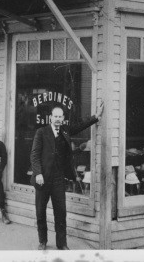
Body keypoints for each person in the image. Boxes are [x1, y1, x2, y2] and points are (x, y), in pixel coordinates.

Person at [30, 102, 104, 250]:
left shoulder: (65, 130)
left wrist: (96, 116)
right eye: (55, 116)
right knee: (40, 211)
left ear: (63, 118)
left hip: (58, 178)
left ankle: (62, 244)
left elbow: (80, 126)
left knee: (61, 212)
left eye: (60, 116)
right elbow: (34, 155)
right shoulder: (41, 132)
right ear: (51, 118)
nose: (57, 119)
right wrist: (38, 173)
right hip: (43, 178)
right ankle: (42, 241)